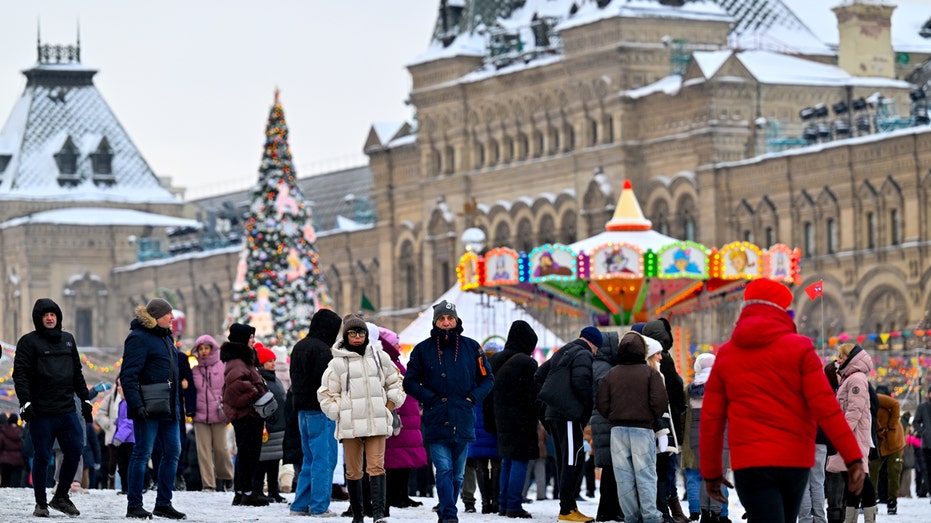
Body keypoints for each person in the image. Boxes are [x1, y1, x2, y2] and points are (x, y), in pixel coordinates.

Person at [699, 279, 865, 523]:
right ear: (781, 311)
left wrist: (711, 472)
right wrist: (852, 457)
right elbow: (826, 408)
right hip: (794, 460)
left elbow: (711, 420)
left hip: (749, 462)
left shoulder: (727, 354)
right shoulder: (800, 349)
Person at [403, 299, 494, 523]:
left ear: (456, 320)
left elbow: (487, 379)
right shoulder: (422, 349)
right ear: (435, 321)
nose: (446, 322)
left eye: (450, 318)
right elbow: (409, 382)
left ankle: (445, 510)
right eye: (442, 318)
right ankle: (450, 515)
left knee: (458, 474)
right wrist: (430, 398)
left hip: (462, 417)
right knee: (444, 469)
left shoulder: (472, 347)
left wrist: (472, 397)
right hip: (437, 418)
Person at [318, 314, 406, 523]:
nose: (357, 337)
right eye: (353, 333)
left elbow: (396, 382)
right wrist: (340, 411)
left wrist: (389, 406)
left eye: (361, 333)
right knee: (353, 471)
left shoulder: (379, 357)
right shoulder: (337, 362)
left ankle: (378, 514)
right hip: (350, 424)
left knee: (376, 467)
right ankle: (358, 515)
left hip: (376, 421)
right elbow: (326, 393)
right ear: (346, 335)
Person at [12, 298, 92, 517]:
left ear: (58, 317)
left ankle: (61, 497)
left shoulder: (68, 340)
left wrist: (85, 399)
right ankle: (41, 503)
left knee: (75, 449)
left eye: (53, 314)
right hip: (41, 411)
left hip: (66, 409)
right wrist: (25, 402)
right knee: (42, 456)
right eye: (45, 315)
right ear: (39, 318)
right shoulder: (28, 342)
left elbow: (77, 372)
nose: (49, 318)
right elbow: (20, 375)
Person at [119, 297, 187, 519]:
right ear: (157, 316)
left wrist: (178, 406)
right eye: (168, 313)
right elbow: (128, 375)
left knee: (173, 452)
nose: (172, 317)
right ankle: (134, 504)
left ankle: (163, 503)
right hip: (148, 407)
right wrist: (136, 405)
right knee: (142, 454)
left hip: (169, 408)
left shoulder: (166, 337)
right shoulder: (138, 338)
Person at [596, 331, 668, 523]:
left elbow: (602, 403)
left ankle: (631, 516)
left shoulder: (611, 373)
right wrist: (650, 416)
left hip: (617, 431)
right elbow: (660, 402)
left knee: (624, 477)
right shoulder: (650, 373)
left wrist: (614, 415)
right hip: (642, 430)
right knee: (645, 475)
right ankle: (650, 515)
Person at [535, 326, 601, 522]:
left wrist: (550, 402)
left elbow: (538, 376)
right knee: (573, 460)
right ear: (593, 343)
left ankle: (570, 506)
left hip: (554, 415)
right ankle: (566, 510)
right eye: (597, 349)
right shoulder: (583, 353)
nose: (595, 353)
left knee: (565, 461)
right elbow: (581, 383)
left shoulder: (562, 351)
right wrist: (586, 408)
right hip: (569, 416)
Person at [289, 308, 342, 517]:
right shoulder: (322, 350)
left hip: (302, 411)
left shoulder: (299, 346)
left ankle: (300, 505)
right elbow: (327, 382)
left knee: (309, 460)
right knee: (324, 460)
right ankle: (319, 506)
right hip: (320, 410)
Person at [488, 320, 541, 519]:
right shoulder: (527, 363)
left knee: (507, 461)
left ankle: (503, 504)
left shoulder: (495, 360)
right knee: (519, 460)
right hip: (521, 420)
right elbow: (533, 395)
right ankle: (514, 505)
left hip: (499, 418)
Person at [825, 343, 877, 523]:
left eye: (841, 357)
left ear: (850, 358)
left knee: (862, 480)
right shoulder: (850, 378)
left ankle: (869, 519)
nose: (838, 360)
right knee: (852, 482)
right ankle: (850, 520)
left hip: (853, 438)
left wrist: (841, 434)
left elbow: (854, 411)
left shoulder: (856, 379)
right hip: (850, 437)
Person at [378, 327, 428, 510]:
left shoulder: (394, 362)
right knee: (395, 460)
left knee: (404, 459)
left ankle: (401, 495)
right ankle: (396, 495)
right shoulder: (388, 363)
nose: (399, 346)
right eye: (396, 343)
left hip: (407, 419)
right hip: (399, 418)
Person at [220, 322, 269, 507]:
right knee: (248, 453)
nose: (253, 341)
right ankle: (247, 493)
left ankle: (242, 492)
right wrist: (258, 393)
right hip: (246, 413)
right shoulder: (237, 361)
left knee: (247, 453)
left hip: (249, 413)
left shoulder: (243, 358)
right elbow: (237, 386)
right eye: (250, 337)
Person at [682, 353, 729, 523]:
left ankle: (704, 513)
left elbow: (685, 414)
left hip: (697, 433)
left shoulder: (690, 389)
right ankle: (716, 512)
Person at [190, 334, 234, 493]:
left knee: (221, 448)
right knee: (203, 451)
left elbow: (228, 387)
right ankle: (208, 484)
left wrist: (226, 404)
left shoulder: (222, 366)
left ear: (212, 349)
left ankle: (227, 476)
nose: (203, 351)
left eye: (206, 348)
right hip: (200, 415)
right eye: (200, 349)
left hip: (219, 414)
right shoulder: (194, 370)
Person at [589, 330, 624, 522]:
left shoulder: (597, 365)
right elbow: (607, 397)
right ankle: (610, 510)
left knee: (609, 468)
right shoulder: (605, 369)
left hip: (600, 420)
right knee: (612, 467)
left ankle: (605, 510)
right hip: (607, 422)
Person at [255, 343, 287, 503]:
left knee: (275, 462)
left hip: (279, 428)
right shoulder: (260, 381)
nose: (273, 364)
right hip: (267, 428)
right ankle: (259, 490)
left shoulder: (276, 380)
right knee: (262, 462)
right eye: (269, 361)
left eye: (274, 360)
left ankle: (274, 491)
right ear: (261, 363)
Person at [870, 386, 905, 515]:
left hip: (893, 440)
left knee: (894, 471)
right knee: (872, 469)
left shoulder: (877, 398)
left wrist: (892, 426)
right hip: (878, 442)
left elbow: (896, 404)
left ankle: (892, 501)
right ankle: (870, 500)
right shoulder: (859, 403)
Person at [0, 412, 25, 487]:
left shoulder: (3, 430)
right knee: (16, 482)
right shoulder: (21, 431)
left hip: (5, 459)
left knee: (5, 482)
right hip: (18, 459)